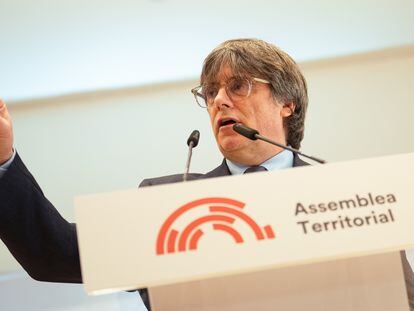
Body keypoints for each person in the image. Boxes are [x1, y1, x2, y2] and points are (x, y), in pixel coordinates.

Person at [0, 39, 413, 309]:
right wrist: (3, 161)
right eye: (210, 92)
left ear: (288, 103)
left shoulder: (353, 198)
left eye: (238, 86)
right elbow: (52, 254)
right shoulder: (167, 204)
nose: (219, 100)